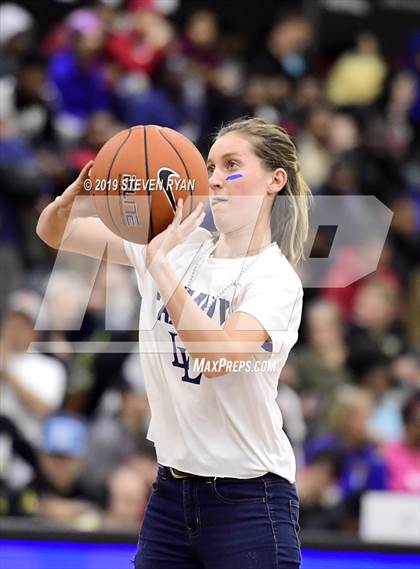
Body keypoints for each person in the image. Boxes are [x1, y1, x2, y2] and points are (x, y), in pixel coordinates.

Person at [36, 116, 311, 568]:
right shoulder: (177, 246)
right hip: (169, 495)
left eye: (232, 165)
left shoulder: (275, 280)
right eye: (211, 166)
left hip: (249, 499)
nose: (215, 178)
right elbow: (54, 232)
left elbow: (217, 356)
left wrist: (159, 267)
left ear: (274, 181)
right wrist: (74, 199)